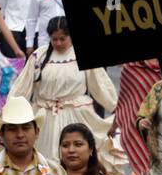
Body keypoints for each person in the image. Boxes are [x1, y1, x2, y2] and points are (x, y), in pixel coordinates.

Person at [9, 17, 117, 163]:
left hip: (78, 116)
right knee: (45, 161)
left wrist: (116, 109)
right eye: (54, 39)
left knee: (78, 159)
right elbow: (22, 86)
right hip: (46, 118)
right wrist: (10, 109)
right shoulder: (39, 56)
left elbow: (100, 84)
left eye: (62, 39)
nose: (58, 43)